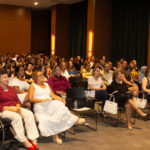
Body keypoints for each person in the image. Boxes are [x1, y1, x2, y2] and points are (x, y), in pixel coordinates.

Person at [28, 70, 86, 144]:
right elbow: (30, 99)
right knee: (47, 117)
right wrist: (42, 100)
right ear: (35, 78)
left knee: (59, 104)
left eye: (42, 74)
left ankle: (75, 120)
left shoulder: (46, 85)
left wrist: (61, 99)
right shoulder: (33, 86)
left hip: (49, 104)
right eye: (40, 75)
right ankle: (56, 136)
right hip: (40, 106)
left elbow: (52, 96)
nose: (42, 76)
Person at [0, 69, 39, 150]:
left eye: (7, 77)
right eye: (4, 77)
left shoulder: (11, 88)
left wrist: (17, 109)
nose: (7, 79)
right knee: (16, 117)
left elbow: (17, 100)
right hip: (4, 110)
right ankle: (23, 140)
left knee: (29, 114)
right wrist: (10, 109)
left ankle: (33, 138)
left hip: (15, 108)